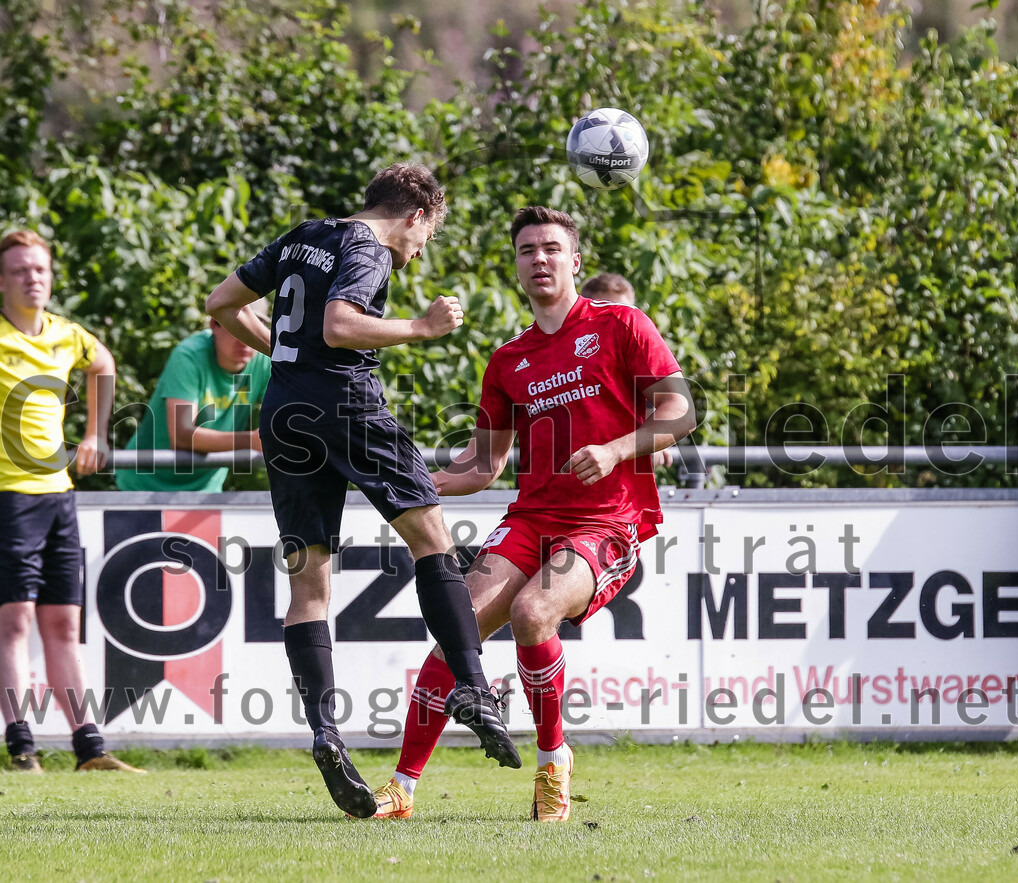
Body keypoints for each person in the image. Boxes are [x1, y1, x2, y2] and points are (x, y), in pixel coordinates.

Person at [205, 163, 520, 818]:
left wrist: (284, 357)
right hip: (349, 404)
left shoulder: (302, 236)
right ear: (415, 214)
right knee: (432, 539)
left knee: (309, 583)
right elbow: (342, 326)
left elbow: (220, 303)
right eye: (427, 235)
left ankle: (325, 730)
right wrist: (419, 327)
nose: (421, 249)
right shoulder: (368, 246)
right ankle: (472, 685)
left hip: (285, 413)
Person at [371, 207, 695, 821]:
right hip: (531, 518)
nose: (539, 259)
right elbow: (480, 466)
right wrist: (400, 485)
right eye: (526, 251)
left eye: (551, 248)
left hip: (608, 520)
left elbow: (680, 414)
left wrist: (616, 448)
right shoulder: (509, 359)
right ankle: (402, 788)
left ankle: (552, 763)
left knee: (533, 610)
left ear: (575, 261)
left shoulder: (622, 324)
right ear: (517, 267)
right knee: (457, 627)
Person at [0, 230, 143, 773]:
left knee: (62, 624)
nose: (33, 278)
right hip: (8, 497)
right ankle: (22, 747)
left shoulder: (66, 334)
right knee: (13, 622)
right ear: (2, 281)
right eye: (20, 270)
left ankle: (90, 750)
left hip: (58, 496)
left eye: (39, 269)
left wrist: (96, 434)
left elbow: (101, 363)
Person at [115, 302, 271, 492]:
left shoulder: (265, 360)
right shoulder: (189, 355)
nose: (245, 340)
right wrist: (251, 441)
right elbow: (181, 437)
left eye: (254, 329)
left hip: (206, 492)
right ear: (215, 325)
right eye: (237, 328)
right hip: (143, 488)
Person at [580, 273, 674, 469]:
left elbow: (657, 403)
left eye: (624, 310)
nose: (617, 318)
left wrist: (655, 443)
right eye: (606, 309)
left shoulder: (638, 343)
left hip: (624, 472)